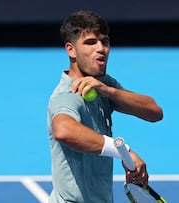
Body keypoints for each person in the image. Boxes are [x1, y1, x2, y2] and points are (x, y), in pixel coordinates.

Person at [47, 10, 163, 203]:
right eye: (90, 42)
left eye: (105, 41)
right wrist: (123, 151)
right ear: (71, 50)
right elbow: (64, 131)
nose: (101, 49)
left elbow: (154, 112)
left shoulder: (102, 84)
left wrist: (109, 92)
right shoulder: (67, 94)